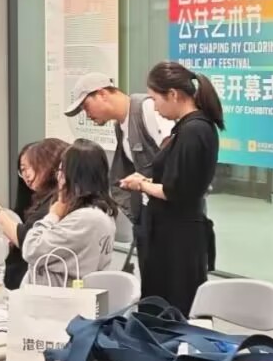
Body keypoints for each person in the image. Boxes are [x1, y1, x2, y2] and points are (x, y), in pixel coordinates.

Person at [120, 61, 222, 316]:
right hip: (172, 234)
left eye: (156, 99)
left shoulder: (194, 131)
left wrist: (142, 185)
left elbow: (176, 191)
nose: (155, 107)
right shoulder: (190, 128)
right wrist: (146, 181)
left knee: (175, 309)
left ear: (173, 94)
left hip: (179, 240)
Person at [65, 72, 175, 277]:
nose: (86, 115)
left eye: (86, 106)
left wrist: (146, 184)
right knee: (152, 283)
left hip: (172, 219)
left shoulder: (147, 109)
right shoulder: (121, 127)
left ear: (102, 94)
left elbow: (177, 160)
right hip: (149, 218)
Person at [0, 138, 68, 289]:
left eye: (31, 167)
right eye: (22, 169)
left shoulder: (57, 202)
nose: (26, 174)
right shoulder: (39, 200)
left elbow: (27, 240)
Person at [21, 139, 117, 286]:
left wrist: (53, 215)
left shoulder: (86, 219)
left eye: (61, 171)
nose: (58, 178)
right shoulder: (101, 213)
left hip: (55, 297)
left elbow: (31, 248)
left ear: (72, 177)